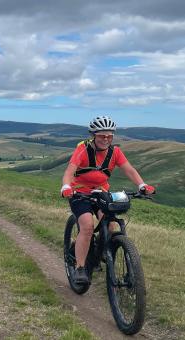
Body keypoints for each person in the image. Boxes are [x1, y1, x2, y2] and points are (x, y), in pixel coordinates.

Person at [60, 115, 155, 285]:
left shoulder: (115, 152)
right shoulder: (83, 150)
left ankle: (99, 251)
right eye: (102, 136)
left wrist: (142, 185)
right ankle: (80, 268)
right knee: (87, 226)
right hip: (79, 193)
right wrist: (66, 187)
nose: (106, 139)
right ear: (94, 136)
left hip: (101, 191)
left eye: (109, 136)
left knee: (111, 225)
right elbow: (69, 171)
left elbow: (129, 170)